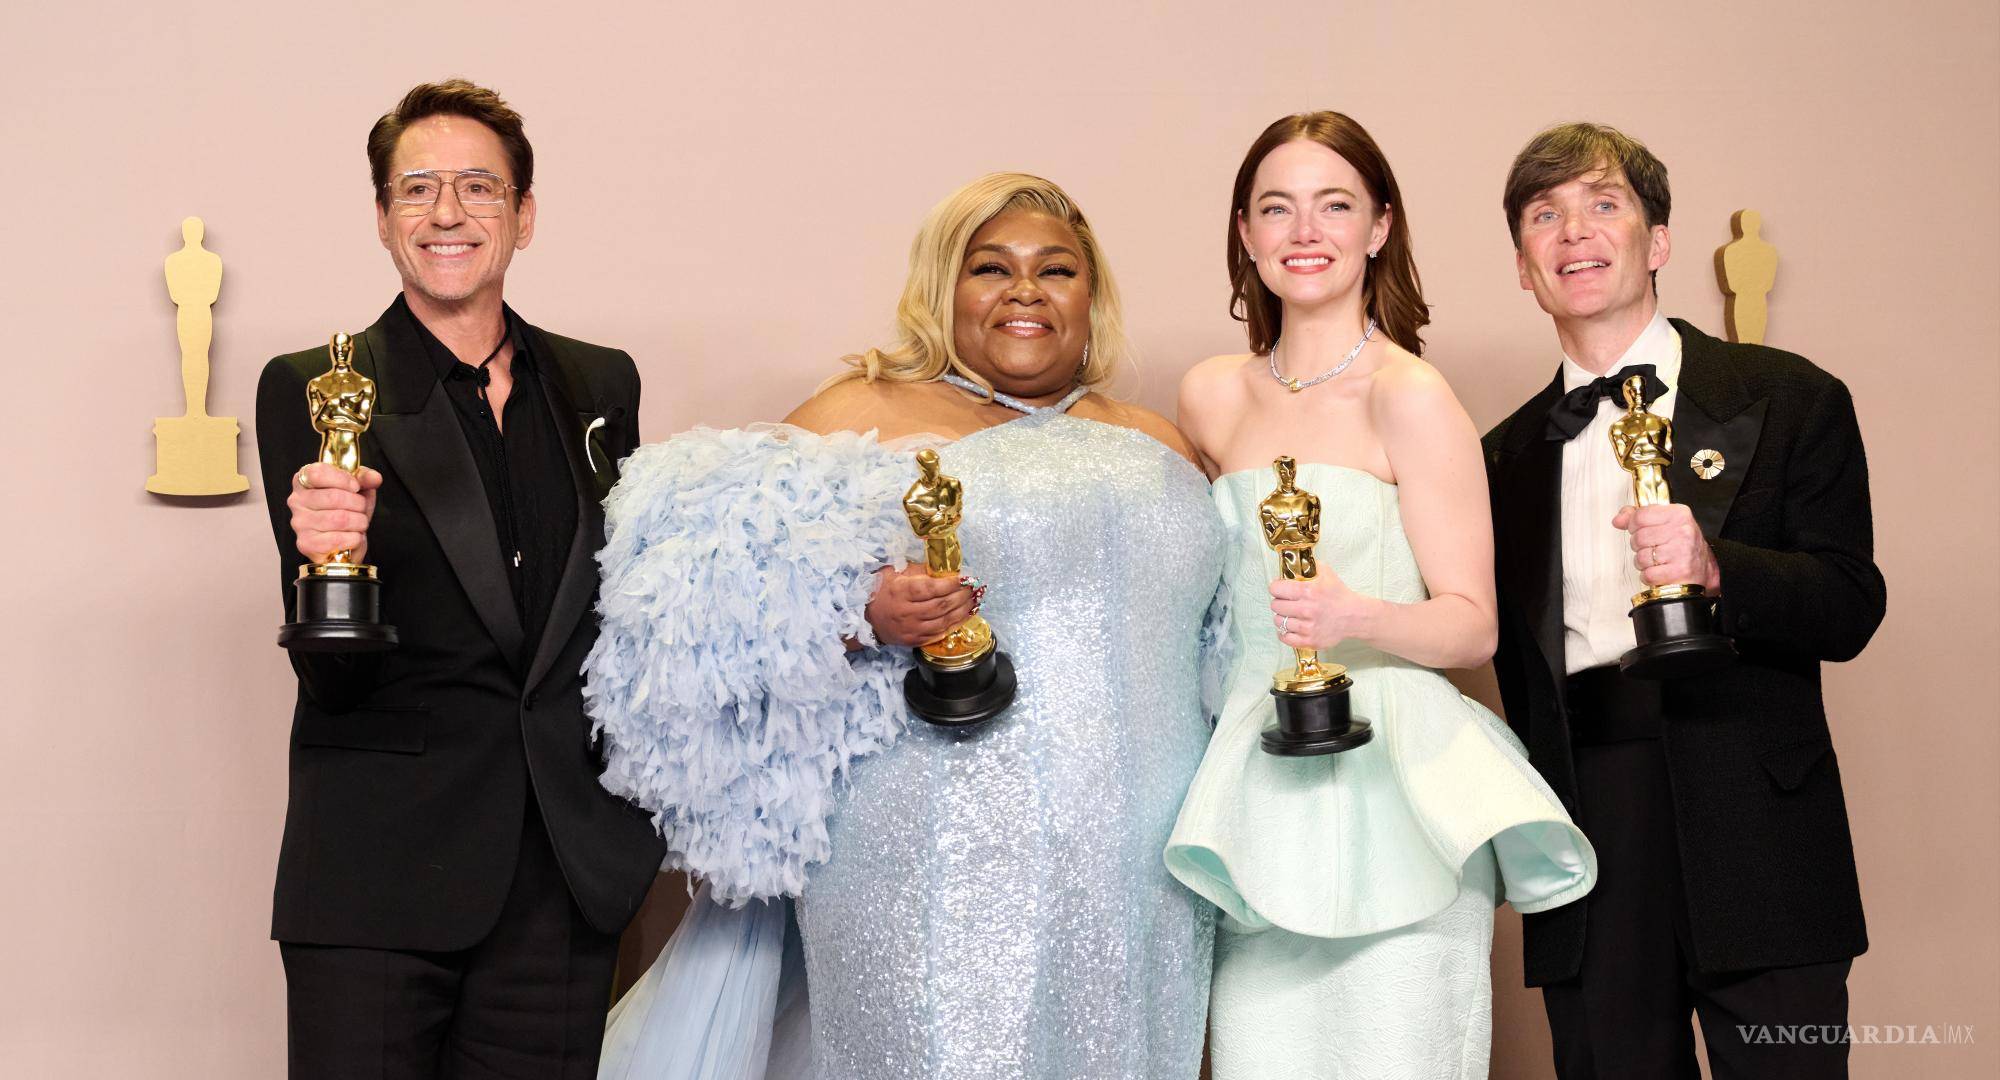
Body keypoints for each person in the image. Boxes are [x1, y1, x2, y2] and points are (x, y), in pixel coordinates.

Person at [587, 173, 1227, 1079]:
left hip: (1139, 864)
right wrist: (858, 614)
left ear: (1092, 294)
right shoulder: (862, 413)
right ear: (943, 288)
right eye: (990, 268)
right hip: (924, 848)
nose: (1025, 291)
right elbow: (693, 603)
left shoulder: (1157, 441)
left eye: (1057, 269)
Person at [1163, 111, 1596, 1079]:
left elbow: (1472, 625)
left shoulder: (1409, 396)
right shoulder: (1206, 397)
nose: (1303, 232)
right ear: (1244, 234)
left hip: (1392, 784)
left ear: (1378, 227)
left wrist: (1352, 616)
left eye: (1334, 206)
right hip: (1255, 783)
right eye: (1275, 208)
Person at [253, 79, 664, 1079]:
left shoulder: (600, 383)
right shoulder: (315, 384)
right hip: (377, 872)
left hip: (562, 874)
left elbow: (626, 610)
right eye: (417, 190)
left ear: (523, 215)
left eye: (478, 188)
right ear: (384, 218)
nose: (447, 213)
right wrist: (318, 566)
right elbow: (333, 671)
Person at [1483, 121, 1885, 1079]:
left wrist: (1720, 571)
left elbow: (1850, 604)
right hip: (1587, 824)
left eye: (1603, 204)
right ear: (1525, 270)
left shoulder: (1790, 396)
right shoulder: (1496, 458)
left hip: (1756, 812)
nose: (1574, 231)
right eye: (1546, 215)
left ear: (1657, 242)